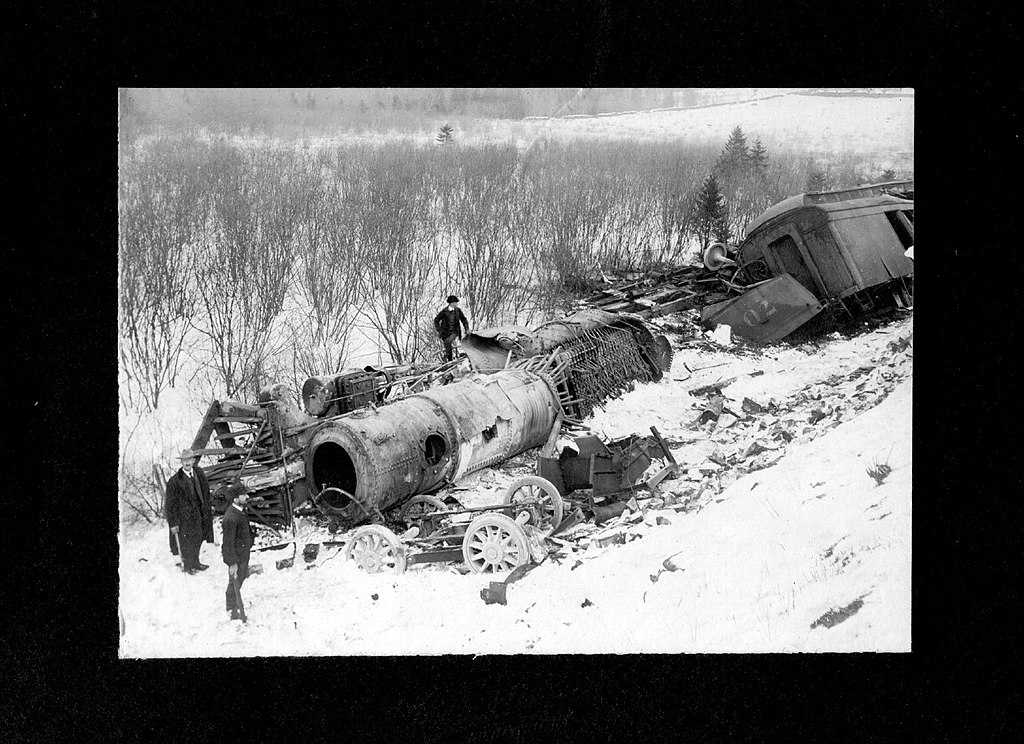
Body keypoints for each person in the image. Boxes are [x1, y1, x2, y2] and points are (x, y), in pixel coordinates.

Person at [164, 448, 214, 574]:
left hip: (199, 514)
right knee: (186, 542)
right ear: (182, 462)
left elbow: (206, 492)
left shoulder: (199, 473)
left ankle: (196, 563)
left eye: (189, 460)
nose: (187, 463)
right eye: (184, 460)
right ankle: (188, 566)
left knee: (198, 539)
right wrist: (173, 523)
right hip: (184, 518)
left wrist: (208, 507)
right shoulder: (174, 481)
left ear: (193, 460)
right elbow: (170, 505)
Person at [221, 483, 254, 621]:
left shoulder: (240, 510)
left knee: (239, 580)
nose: (247, 497)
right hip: (237, 557)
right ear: (235, 499)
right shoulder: (230, 518)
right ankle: (232, 610)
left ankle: (234, 607)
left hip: (243, 554)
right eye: (244, 495)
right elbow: (227, 544)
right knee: (234, 583)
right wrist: (232, 563)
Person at [433, 294, 470, 362]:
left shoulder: (458, 311)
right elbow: (436, 320)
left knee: (449, 342)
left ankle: (459, 356)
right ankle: (450, 361)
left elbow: (464, 320)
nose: (456, 304)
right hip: (445, 333)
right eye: (455, 302)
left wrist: (467, 329)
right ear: (451, 303)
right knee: (448, 346)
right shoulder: (444, 311)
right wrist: (439, 330)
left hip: (455, 332)